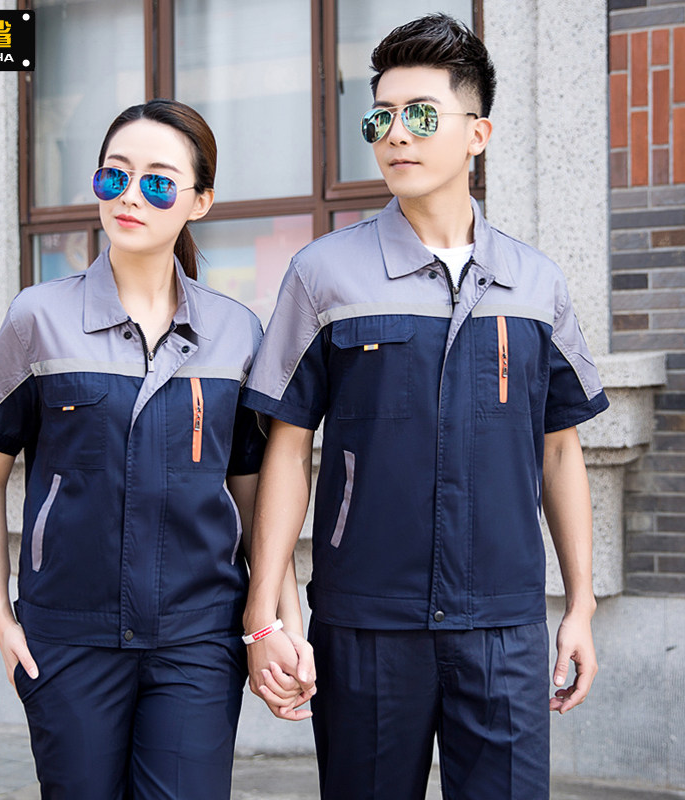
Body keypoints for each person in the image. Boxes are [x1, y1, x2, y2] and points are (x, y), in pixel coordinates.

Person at [241, 14, 608, 800]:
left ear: (477, 134)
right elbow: (287, 447)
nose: (396, 135)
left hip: (503, 624)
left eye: (420, 115)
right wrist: (264, 613)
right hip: (365, 621)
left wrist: (580, 605)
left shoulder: (536, 283)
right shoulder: (323, 275)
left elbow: (560, 450)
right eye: (380, 118)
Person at [0, 98, 309, 800]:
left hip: (197, 639)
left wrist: (277, 619)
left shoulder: (236, 333)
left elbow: (253, 495)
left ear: (200, 202)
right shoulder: (39, 318)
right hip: (68, 637)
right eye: (114, 176)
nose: (130, 196)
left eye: (158, 183)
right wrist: (1, 618)